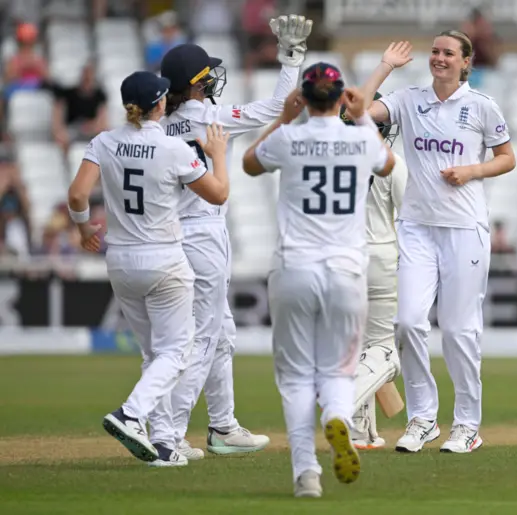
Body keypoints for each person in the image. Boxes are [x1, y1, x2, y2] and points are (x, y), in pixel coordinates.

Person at [153, 14, 313, 461]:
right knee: (203, 337)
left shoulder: (159, 125)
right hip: (202, 236)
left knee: (220, 334)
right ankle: (170, 433)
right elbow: (281, 106)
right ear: (199, 84)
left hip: (169, 233)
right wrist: (290, 59)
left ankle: (222, 426)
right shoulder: (212, 120)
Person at [242, 64, 396, 497]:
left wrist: (284, 118)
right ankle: (339, 419)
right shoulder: (360, 138)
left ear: (305, 97)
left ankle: (304, 472)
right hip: (346, 270)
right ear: (340, 96)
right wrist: (363, 115)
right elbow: (388, 165)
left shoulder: (289, 138)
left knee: (294, 376)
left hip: (294, 268)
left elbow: (250, 163)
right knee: (339, 371)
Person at [66, 70, 230, 466]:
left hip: (120, 260)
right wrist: (219, 155)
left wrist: (85, 226)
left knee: (153, 354)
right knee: (176, 351)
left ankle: (162, 444)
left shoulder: (104, 141)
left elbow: (76, 193)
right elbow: (219, 193)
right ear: (160, 104)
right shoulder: (173, 147)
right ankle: (130, 414)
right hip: (164, 259)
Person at [363, 31, 516, 453]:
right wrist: (385, 66)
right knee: (408, 322)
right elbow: (355, 110)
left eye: (448, 53)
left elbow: (507, 157)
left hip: (465, 230)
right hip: (415, 226)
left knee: (457, 331)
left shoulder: (481, 106)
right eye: (434, 51)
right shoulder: (408, 99)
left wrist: (472, 171)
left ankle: (467, 425)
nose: (439, 58)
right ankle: (422, 418)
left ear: (466, 62)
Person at [338, 92, 408, 450]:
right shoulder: (390, 161)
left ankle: (361, 432)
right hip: (380, 255)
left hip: (340, 259)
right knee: (385, 353)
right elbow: (407, 212)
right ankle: (343, 405)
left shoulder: (331, 156)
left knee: (357, 348)